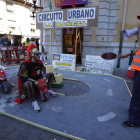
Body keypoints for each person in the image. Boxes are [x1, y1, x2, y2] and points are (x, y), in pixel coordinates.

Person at [18, 43, 58, 112]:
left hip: (39, 79)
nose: (39, 55)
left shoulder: (39, 62)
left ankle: (49, 90)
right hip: (31, 82)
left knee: (51, 74)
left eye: (39, 53)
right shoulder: (25, 64)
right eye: (37, 54)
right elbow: (22, 77)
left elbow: (43, 70)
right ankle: (34, 101)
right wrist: (34, 81)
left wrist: (44, 76)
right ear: (32, 55)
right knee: (28, 84)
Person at [120, 27, 140, 127]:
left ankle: (134, 121)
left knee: (137, 96)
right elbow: (138, 51)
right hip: (138, 71)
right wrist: (125, 55)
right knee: (136, 94)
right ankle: (135, 113)